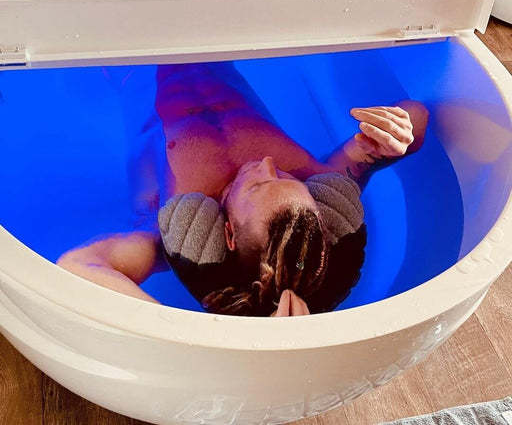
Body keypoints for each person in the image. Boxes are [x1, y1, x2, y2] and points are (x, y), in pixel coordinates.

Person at [57, 62, 428, 317]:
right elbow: (418, 113)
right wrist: (399, 132)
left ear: (229, 232)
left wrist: (196, 336)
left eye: (258, 184)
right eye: (287, 177)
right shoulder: (313, 184)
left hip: (130, 59)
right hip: (212, 42)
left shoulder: (165, 228)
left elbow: (75, 267)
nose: (267, 163)